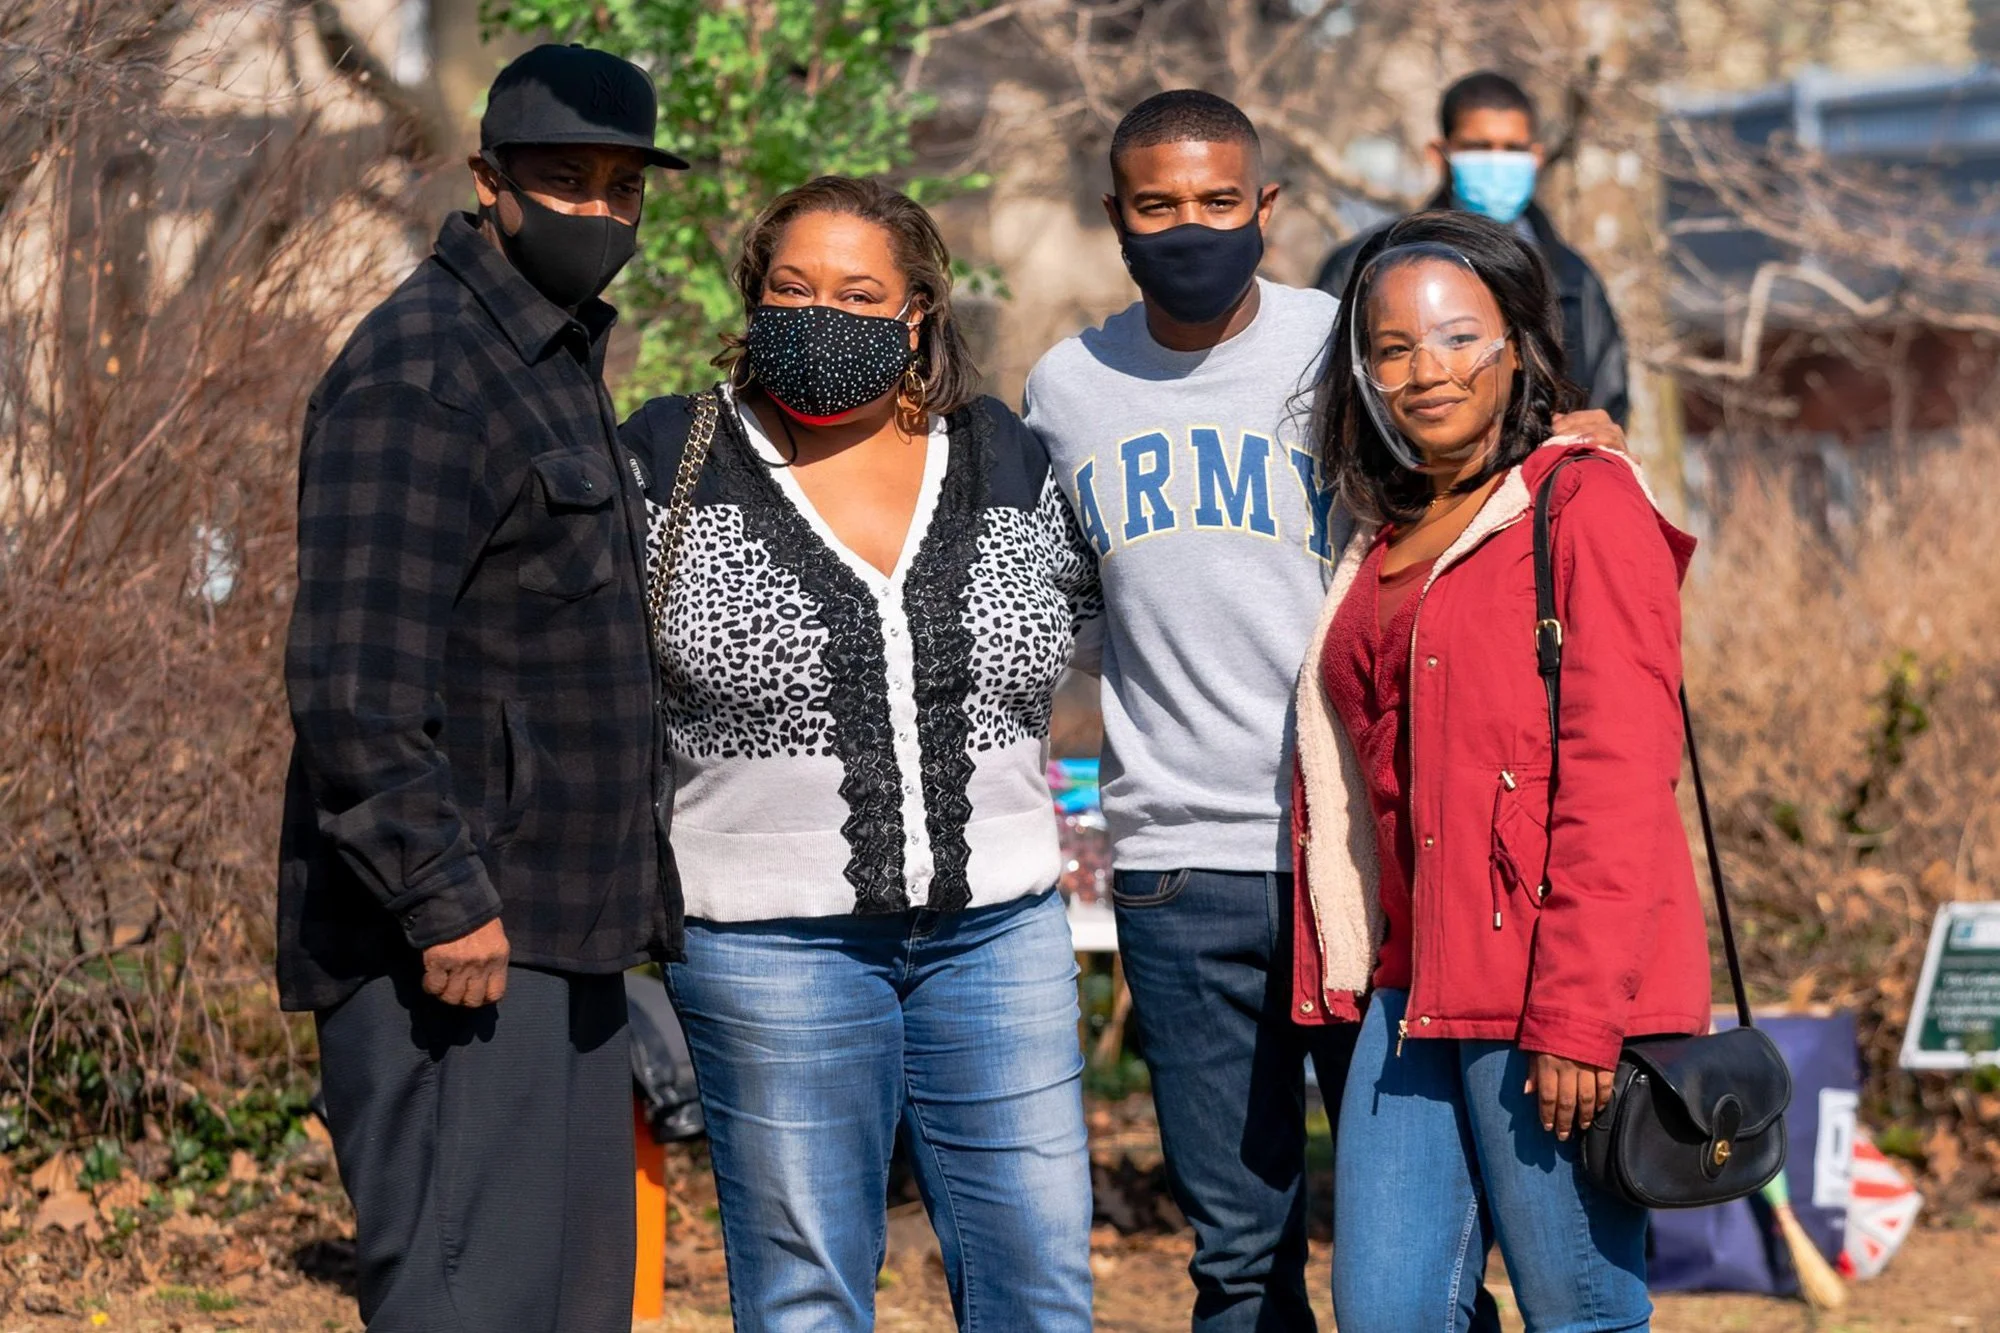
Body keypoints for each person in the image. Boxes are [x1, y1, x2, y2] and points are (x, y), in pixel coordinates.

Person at [1026, 89, 1644, 1331]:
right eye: (1157, 206)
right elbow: (1070, 608)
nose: (1188, 227)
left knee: (1413, 1250)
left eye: (1217, 201)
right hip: (1176, 867)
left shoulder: (1343, 340)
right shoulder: (1066, 385)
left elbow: (1468, 456)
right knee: (1238, 1250)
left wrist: (1577, 444)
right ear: (1114, 217)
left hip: (1366, 856)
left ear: (1266, 207)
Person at [620, 175, 1102, 1333]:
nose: (819, 313)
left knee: (1037, 1283)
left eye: (856, 292)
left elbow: (1094, 615)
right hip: (765, 947)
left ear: (917, 312)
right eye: (792, 287)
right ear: (753, 297)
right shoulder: (668, 457)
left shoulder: (999, 456)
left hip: (998, 933)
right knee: (805, 1289)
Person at [279, 44, 686, 1333]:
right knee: (470, 1301)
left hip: (559, 938)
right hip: (450, 954)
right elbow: (353, 686)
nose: (598, 214)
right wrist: (443, 897)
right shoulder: (424, 374)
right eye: (564, 181)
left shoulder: (548, 361)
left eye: (623, 188)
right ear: (487, 181)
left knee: (568, 1309)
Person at [1292, 209, 1710, 1332]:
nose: (1424, 370)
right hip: (1410, 986)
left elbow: (1618, 782)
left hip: (1542, 988)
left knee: (1575, 1309)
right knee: (1384, 1312)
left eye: (1455, 336)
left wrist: (1576, 1020)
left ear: (1517, 343)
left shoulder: (1581, 503)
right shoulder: (1379, 527)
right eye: (1390, 348)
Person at [1314, 71, 1630, 426]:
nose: (1497, 163)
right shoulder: (1365, 267)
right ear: (1440, 154)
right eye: (1478, 147)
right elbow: (1329, 397)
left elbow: (1606, 402)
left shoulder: (1572, 279)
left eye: (1513, 149)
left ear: (1536, 156)